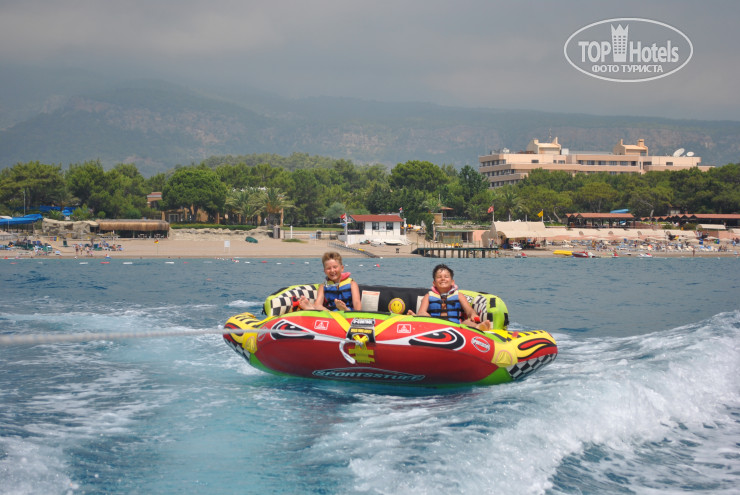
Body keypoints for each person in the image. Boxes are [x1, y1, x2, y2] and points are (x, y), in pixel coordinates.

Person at [409, 263, 490, 330]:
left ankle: (479, 327)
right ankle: (413, 319)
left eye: (446, 277)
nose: (443, 279)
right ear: (434, 283)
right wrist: (421, 315)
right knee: (424, 316)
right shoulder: (428, 296)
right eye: (439, 277)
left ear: (452, 282)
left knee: (466, 322)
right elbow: (422, 311)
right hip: (434, 325)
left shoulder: (459, 295)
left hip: (456, 326)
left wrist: (473, 315)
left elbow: (469, 310)